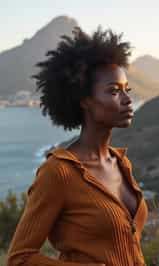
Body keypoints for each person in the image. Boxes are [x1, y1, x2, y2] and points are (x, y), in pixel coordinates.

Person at [6, 26, 148, 266]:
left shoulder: (122, 163)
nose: (127, 100)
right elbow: (19, 258)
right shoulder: (58, 173)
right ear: (85, 101)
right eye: (114, 91)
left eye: (127, 90)